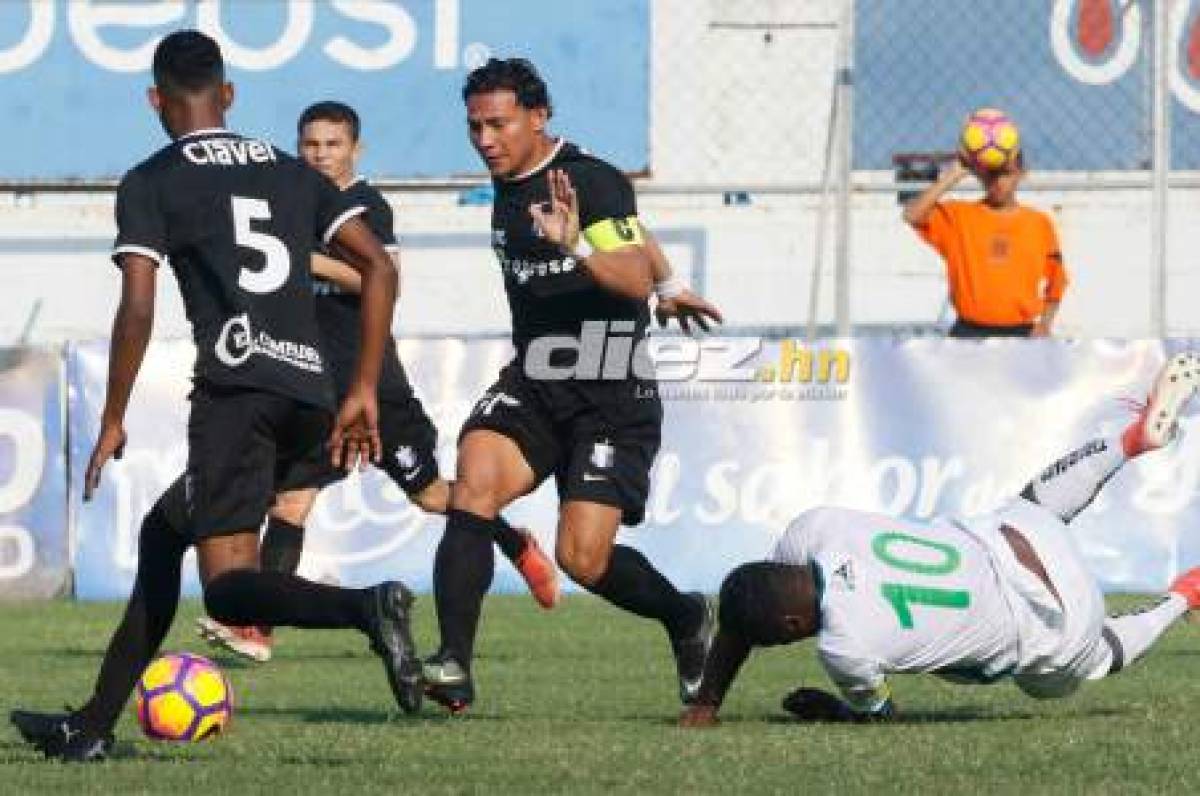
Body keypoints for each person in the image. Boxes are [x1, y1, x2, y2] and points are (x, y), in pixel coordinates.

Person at [9, 31, 420, 762]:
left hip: (237, 398)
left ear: (155, 102)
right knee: (163, 535)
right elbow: (380, 271)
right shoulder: (293, 173)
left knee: (229, 591)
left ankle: (368, 606)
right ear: (228, 96)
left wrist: (111, 418)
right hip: (311, 395)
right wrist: (361, 387)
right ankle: (91, 727)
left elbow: (136, 308)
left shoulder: (152, 179)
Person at [195, 100, 560, 664]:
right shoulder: (291, 206)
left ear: (355, 150)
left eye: (332, 145)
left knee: (436, 496)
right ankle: (256, 630)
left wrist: (304, 262)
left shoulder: (364, 206)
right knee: (290, 501)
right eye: (310, 144)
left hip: (376, 391)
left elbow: (379, 279)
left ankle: (516, 543)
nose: (320, 155)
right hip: (314, 393)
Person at [422, 58, 724, 713]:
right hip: (536, 380)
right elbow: (643, 243)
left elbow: (628, 271)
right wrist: (673, 283)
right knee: (473, 481)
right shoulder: (508, 181)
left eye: (498, 124)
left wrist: (592, 255)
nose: (485, 139)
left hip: (612, 390)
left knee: (584, 559)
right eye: (474, 126)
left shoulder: (590, 181)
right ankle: (453, 665)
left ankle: (685, 617)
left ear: (538, 116)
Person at [680, 352, 1200, 727]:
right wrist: (708, 698)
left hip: (1056, 626)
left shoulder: (844, 647)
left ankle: (1185, 595)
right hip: (1013, 539)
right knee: (1038, 503)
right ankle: (1131, 440)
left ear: (792, 626)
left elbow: (881, 717)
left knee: (1093, 658)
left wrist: (823, 708)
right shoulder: (813, 528)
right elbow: (748, 608)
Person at [903, 150, 1067, 338]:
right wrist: (954, 174)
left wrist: (1045, 323)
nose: (997, 182)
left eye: (1005, 173)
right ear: (980, 175)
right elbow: (911, 215)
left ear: (1021, 173)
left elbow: (1058, 280)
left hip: (1022, 334)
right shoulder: (959, 217)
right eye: (991, 174)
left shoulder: (1039, 223)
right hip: (968, 332)